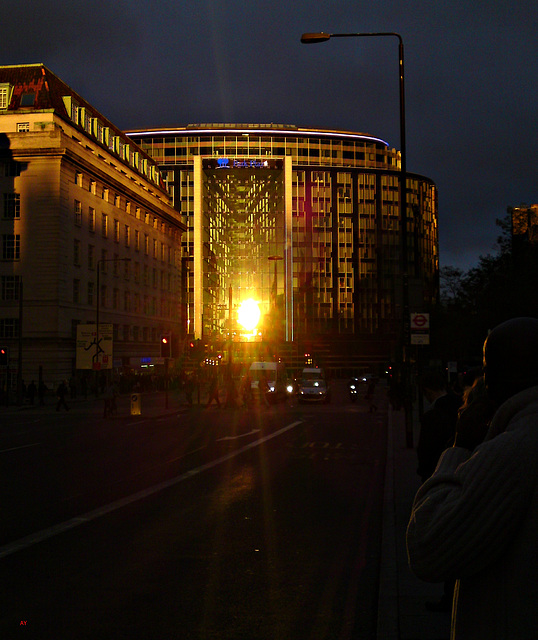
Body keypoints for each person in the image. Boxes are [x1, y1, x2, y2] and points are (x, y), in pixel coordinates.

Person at [407, 317, 538, 638]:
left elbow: (427, 548)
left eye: (486, 367)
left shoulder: (512, 450)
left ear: (496, 377)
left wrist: (459, 447)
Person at [416, 369, 462, 483]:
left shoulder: (431, 416)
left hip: (438, 474)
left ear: (427, 391)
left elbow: (425, 453)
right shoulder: (462, 406)